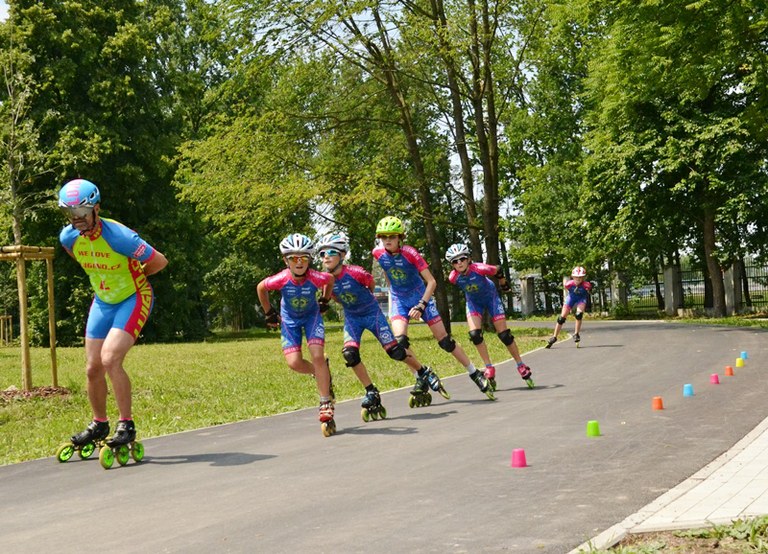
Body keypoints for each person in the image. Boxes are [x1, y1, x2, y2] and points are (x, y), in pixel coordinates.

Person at [58, 178, 168, 452]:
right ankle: (99, 423)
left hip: (133, 298)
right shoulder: (68, 237)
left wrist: (136, 276)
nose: (77, 219)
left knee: (110, 359)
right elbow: (81, 258)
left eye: (82, 212)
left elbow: (159, 261)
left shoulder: (120, 237)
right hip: (103, 302)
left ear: (96, 208)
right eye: (69, 213)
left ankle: (126, 424)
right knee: (92, 367)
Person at [316, 231, 446, 414]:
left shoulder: (356, 272)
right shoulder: (323, 280)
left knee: (395, 351)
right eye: (322, 254)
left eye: (331, 252)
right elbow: (331, 298)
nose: (326, 257)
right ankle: (371, 391)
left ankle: (423, 371)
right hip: (353, 318)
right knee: (349, 354)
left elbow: (370, 285)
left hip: (372, 314)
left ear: (342, 255)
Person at [372, 216, 493, 401]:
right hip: (399, 299)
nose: (387, 240)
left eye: (392, 236)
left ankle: (474, 372)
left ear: (400, 237)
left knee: (445, 342)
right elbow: (388, 275)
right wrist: (392, 293)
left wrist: (422, 304)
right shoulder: (378, 253)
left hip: (421, 296)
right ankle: (421, 375)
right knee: (399, 344)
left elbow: (432, 281)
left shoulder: (411, 253)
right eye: (383, 237)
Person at [256, 233, 337, 436]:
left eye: (303, 258)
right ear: (286, 260)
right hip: (289, 321)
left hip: (311, 318)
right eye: (293, 258)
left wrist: (325, 300)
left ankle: (325, 403)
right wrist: (268, 312)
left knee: (317, 355)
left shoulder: (316, 277)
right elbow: (261, 288)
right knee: (294, 363)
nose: (299, 263)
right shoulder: (281, 279)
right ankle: (321, 374)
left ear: (310, 259)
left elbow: (330, 279)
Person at [445, 244, 534, 389]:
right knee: (475, 335)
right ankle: (488, 367)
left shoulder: (479, 268)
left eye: (462, 259)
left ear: (469, 259)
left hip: (491, 298)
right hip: (474, 302)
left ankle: (520, 364)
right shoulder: (453, 277)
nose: (459, 263)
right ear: (452, 265)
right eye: (455, 261)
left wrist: (504, 284)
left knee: (504, 335)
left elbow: (497, 270)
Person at [545, 266, 592, 349]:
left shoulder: (586, 285)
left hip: (581, 299)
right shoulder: (569, 284)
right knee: (561, 318)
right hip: (571, 298)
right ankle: (554, 337)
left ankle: (576, 333)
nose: (578, 280)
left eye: (580, 278)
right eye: (576, 278)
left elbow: (588, 292)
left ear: (583, 278)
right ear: (572, 277)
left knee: (579, 314)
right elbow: (567, 290)